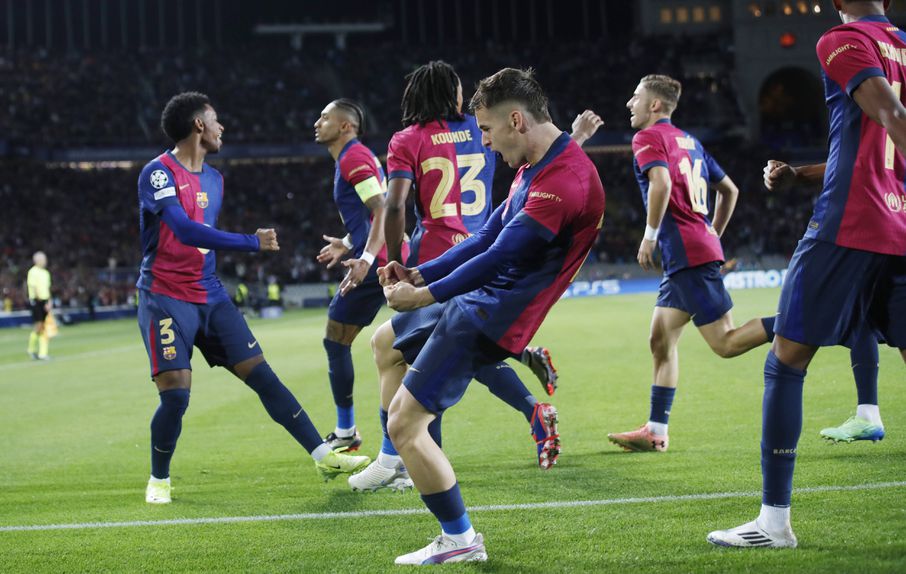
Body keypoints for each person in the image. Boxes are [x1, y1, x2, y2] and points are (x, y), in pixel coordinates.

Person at [377, 67, 605, 564]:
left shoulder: (562, 182)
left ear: (516, 120)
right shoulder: (537, 166)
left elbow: (500, 255)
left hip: (489, 317)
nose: (483, 141)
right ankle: (446, 521)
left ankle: (459, 539)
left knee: (405, 424)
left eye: (485, 129)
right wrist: (418, 274)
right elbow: (483, 237)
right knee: (385, 349)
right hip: (476, 306)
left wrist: (427, 294)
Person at [709, 0, 906, 548]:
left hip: (848, 226)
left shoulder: (842, 41)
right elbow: (877, 147)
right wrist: (802, 173)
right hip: (899, 223)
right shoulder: (902, 45)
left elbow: (892, 120)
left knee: (787, 361)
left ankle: (774, 523)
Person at [137, 92, 369, 505]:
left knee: (262, 375)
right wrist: (252, 242)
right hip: (165, 295)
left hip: (210, 293)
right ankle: (159, 478)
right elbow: (185, 230)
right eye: (216, 119)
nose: (222, 127)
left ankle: (322, 456)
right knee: (176, 394)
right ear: (198, 126)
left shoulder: (215, 179)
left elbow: (199, 240)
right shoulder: (157, 173)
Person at [606, 75, 776, 453]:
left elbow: (661, 184)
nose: (629, 104)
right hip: (690, 252)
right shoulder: (691, 142)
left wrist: (649, 235)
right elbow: (729, 189)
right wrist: (712, 232)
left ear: (654, 105)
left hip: (686, 254)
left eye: (636, 97)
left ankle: (797, 322)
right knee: (660, 339)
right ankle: (655, 429)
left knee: (726, 344)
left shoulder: (647, 137)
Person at [763, 159, 885, 443]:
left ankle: (777, 488)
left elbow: (856, 158)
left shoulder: (873, 113)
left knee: (782, 358)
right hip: (892, 216)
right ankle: (868, 413)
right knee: (863, 315)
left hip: (852, 220)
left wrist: (799, 174)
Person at [314, 98, 406, 451]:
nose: (316, 122)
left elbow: (382, 208)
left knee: (336, 340)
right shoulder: (354, 157)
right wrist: (349, 242)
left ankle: (347, 431)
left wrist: (366, 257)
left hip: (377, 264)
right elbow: (374, 213)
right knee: (439, 336)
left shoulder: (353, 158)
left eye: (324, 117)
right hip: (382, 256)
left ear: (345, 126)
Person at [26, 251, 52, 360]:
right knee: (39, 326)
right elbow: (34, 287)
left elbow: (47, 288)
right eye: (43, 259)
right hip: (36, 301)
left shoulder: (46, 273)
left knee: (44, 327)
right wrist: (41, 301)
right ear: (37, 260)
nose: (45, 261)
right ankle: (31, 350)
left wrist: (49, 302)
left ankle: (42, 353)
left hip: (45, 301)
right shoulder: (32, 272)